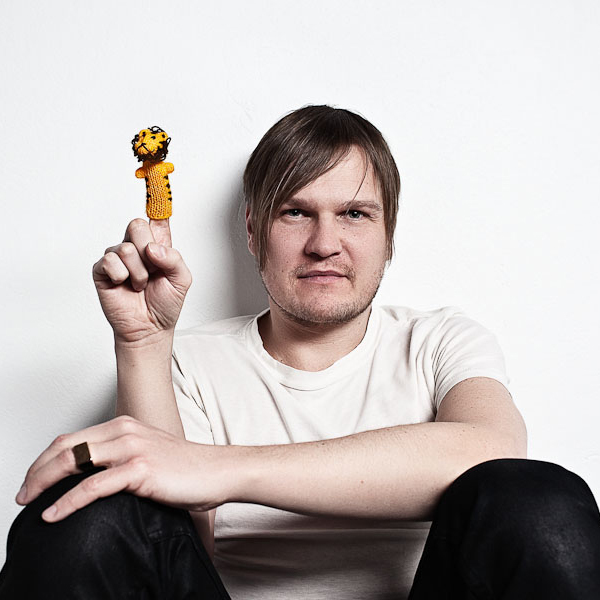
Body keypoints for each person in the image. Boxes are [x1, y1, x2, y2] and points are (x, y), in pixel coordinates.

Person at [1, 105, 599, 599]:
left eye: (354, 214)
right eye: (295, 212)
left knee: (540, 503)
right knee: (88, 513)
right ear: (253, 231)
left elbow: (491, 450)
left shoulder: (439, 341)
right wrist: (144, 343)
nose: (324, 243)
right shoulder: (192, 361)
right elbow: (162, 545)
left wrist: (219, 468)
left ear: (389, 236)